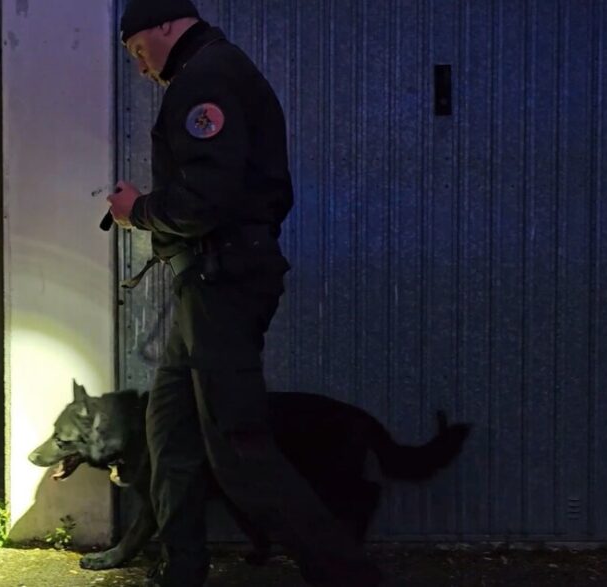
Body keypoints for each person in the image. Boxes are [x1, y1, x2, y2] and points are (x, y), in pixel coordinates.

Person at [106, 1, 383, 585]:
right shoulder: (210, 72)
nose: (140, 67)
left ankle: (347, 574)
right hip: (205, 281)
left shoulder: (207, 78)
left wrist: (139, 212)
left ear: (164, 25)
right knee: (171, 429)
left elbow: (208, 199)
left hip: (221, 281)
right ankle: (182, 567)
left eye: (137, 51)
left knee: (237, 445)